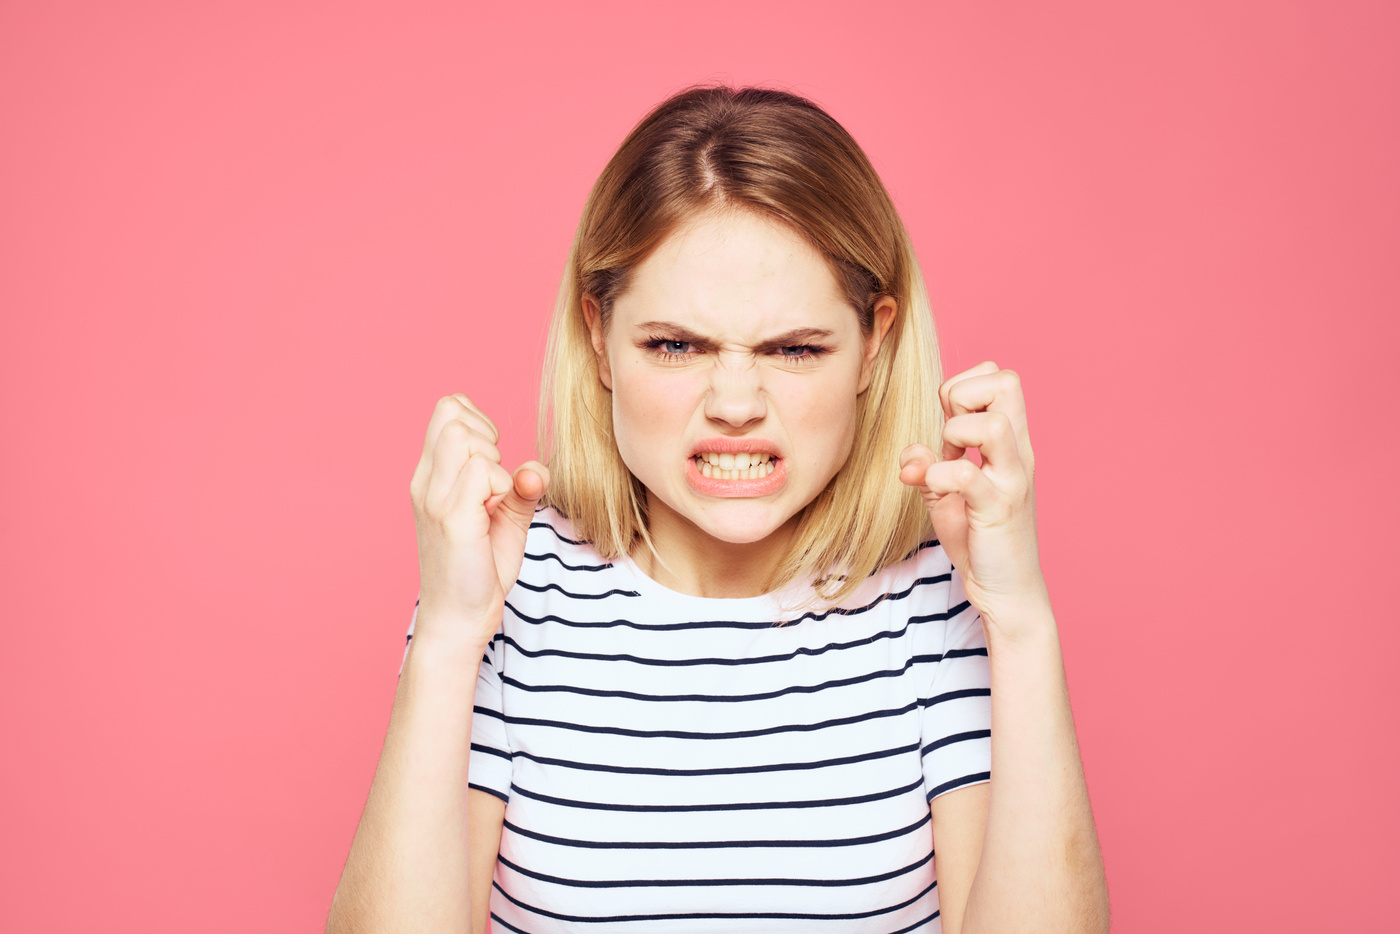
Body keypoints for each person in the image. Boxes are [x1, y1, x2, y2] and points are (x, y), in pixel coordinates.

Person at [327, 86, 1109, 934]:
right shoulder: (506, 596)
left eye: (795, 349)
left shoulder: (939, 606)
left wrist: (1021, 620)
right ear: (599, 337)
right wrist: (447, 634)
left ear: (872, 347)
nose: (736, 403)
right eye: (675, 344)